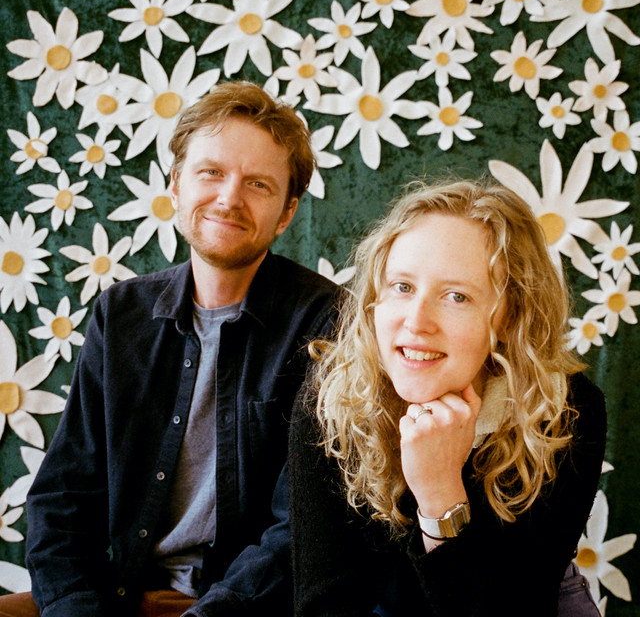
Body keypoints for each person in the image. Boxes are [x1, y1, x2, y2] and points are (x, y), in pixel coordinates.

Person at [2, 81, 342, 617]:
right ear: (175, 185)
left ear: (286, 212)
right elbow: (63, 498)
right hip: (119, 597)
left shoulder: (327, 322)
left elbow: (300, 528)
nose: (229, 198)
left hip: (247, 607)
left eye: (257, 184)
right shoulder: (120, 314)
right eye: (211, 172)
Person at [289, 179, 606, 616]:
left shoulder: (563, 411)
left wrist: (440, 495)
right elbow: (325, 605)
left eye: (457, 296)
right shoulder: (332, 398)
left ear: (511, 316)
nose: (417, 321)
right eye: (402, 286)